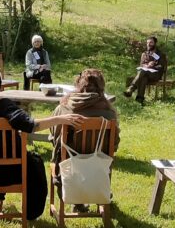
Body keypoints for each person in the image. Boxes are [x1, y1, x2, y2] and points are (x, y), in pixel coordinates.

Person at [0, 70, 85, 213]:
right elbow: (31, 125)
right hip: (16, 172)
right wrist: (60, 119)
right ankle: (28, 210)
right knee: (34, 160)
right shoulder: (6, 107)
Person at [49, 68, 121, 212]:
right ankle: (95, 194)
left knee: (57, 144)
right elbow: (114, 143)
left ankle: (76, 200)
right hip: (98, 165)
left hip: (69, 163)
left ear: (79, 86)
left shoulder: (64, 107)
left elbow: (53, 133)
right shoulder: (109, 113)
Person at [123, 36, 167, 105]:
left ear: (155, 43)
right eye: (147, 43)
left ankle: (131, 88)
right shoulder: (144, 54)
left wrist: (153, 66)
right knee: (143, 77)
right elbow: (141, 65)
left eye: (151, 42)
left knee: (143, 72)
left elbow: (162, 66)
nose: (148, 44)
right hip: (145, 74)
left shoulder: (160, 54)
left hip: (156, 74)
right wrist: (146, 66)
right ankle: (139, 100)